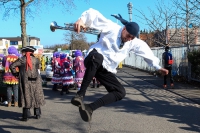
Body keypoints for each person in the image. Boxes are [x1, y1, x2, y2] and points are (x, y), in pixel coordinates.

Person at [70, 8, 168, 122]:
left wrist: (158, 67)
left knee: (120, 92)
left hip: (105, 68)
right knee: (98, 57)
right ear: (124, 28)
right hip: (93, 58)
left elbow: (146, 52)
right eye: (128, 35)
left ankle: (90, 108)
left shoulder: (132, 42)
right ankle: (80, 95)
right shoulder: (112, 28)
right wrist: (81, 20)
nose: (129, 39)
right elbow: (94, 14)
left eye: (132, 37)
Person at [9, 46, 45, 121]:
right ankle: (37, 113)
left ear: (25, 52)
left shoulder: (22, 60)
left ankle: (25, 116)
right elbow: (38, 68)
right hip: (36, 80)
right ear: (32, 52)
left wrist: (16, 74)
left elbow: (12, 66)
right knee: (36, 95)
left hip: (25, 81)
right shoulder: (36, 59)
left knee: (26, 95)